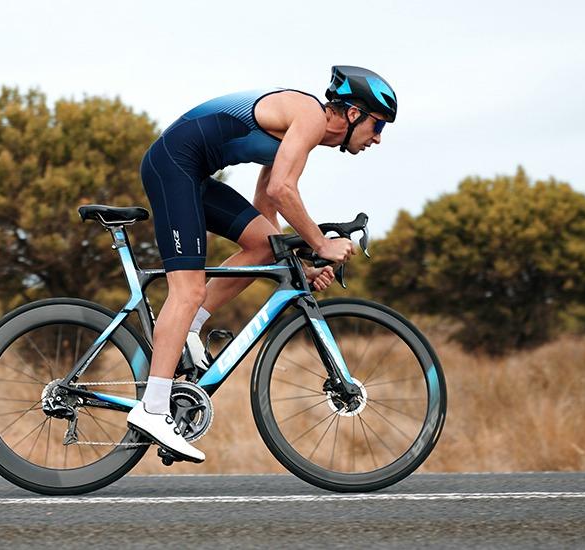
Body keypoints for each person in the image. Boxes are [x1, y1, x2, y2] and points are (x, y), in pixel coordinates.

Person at [126, 65, 398, 463]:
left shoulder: (302, 135)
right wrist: (321, 244)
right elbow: (282, 188)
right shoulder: (308, 116)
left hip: (189, 171)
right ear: (354, 113)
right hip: (174, 166)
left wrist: (295, 266)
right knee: (188, 289)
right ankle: (152, 409)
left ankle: (190, 329)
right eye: (378, 127)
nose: (377, 139)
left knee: (263, 248)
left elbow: (266, 208)